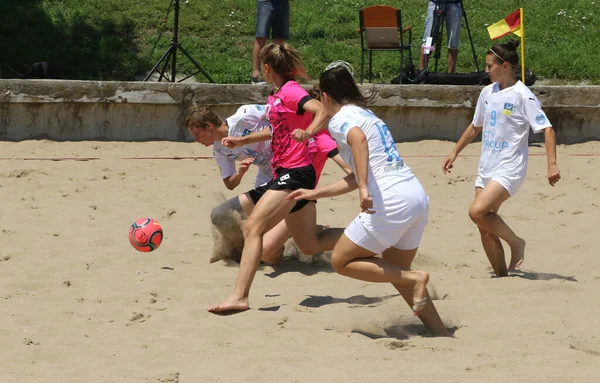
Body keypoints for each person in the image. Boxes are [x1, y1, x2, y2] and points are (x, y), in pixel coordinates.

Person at [287, 62, 450, 336]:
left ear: (325, 97)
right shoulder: (367, 114)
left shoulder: (339, 119)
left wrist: (363, 188)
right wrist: (317, 192)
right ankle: (441, 332)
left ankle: (417, 277)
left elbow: (358, 141)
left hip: (390, 200)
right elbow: (357, 174)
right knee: (396, 272)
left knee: (341, 261)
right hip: (415, 196)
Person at [208, 43, 343, 314]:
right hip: (289, 173)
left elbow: (322, 110)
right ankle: (377, 241)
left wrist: (308, 133)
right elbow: (274, 130)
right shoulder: (277, 96)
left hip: (296, 172)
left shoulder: (291, 91)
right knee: (309, 244)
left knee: (252, 228)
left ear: (267, 69)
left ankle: (239, 296)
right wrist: (243, 140)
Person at [442, 39, 561, 277]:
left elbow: (547, 129)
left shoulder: (522, 95)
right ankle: (501, 276)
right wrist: (455, 151)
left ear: (504, 66)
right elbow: (475, 127)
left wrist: (551, 164)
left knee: (476, 212)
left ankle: (516, 243)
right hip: (486, 166)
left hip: (509, 168)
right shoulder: (488, 92)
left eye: (489, 66)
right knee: (484, 226)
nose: (486, 71)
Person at [184, 104, 351, 264]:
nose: (195, 139)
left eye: (197, 133)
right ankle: (267, 246)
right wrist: (240, 173)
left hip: (291, 175)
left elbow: (281, 117)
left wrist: (363, 183)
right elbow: (229, 183)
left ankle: (307, 233)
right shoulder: (219, 149)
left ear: (209, 126)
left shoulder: (245, 114)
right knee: (225, 216)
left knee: (268, 247)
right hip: (268, 175)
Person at [252, 0, 290, 84]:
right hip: (266, 2)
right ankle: (256, 74)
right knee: (261, 37)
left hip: (283, 3)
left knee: (280, 38)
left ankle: (278, 74)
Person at [419, 0, 462, 73]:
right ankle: (421, 74)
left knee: (453, 42)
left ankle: (451, 76)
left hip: (454, 3)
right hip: (436, 3)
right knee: (428, 41)